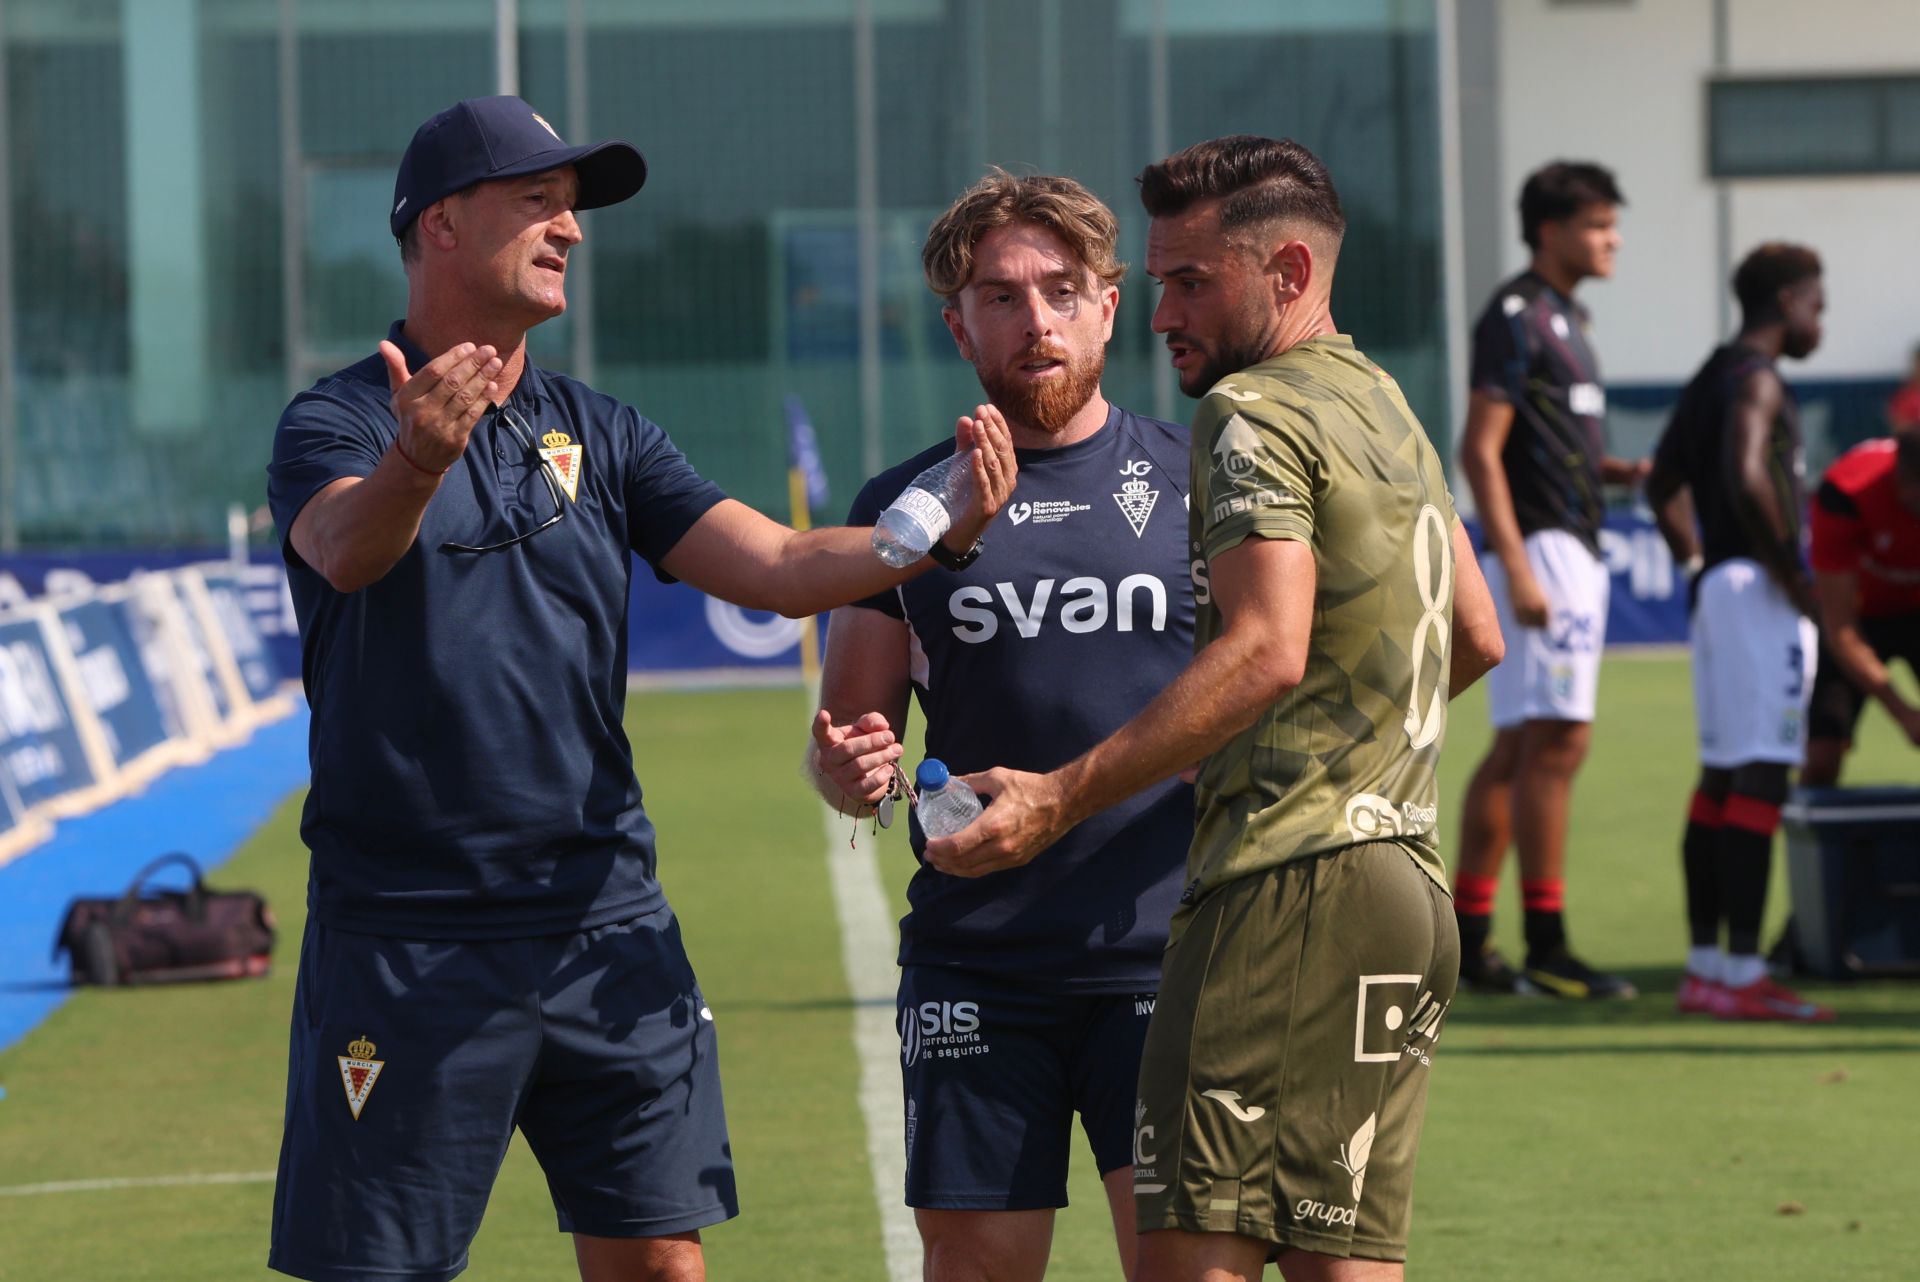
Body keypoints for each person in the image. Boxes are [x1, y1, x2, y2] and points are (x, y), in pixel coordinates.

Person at [262, 96, 1018, 1282]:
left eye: (574, 210)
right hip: (411, 933)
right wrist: (419, 454)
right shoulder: (340, 418)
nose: (570, 230)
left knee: (664, 1261)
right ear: (442, 224)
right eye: (538, 202)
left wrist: (927, 532)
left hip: (605, 923)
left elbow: (772, 567)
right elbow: (348, 550)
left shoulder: (598, 429)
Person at [922, 135, 1504, 1281]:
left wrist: (1057, 799)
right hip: (1406, 891)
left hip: (1284, 886)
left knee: (1195, 1257)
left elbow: (1263, 650)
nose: (1163, 313)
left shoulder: (1251, 407)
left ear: (1286, 272)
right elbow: (1473, 637)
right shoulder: (1384, 399)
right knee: (1343, 1258)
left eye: (1191, 281)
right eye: (1157, 284)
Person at [807, 169, 1195, 1282]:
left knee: (1184, 1267)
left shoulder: (1200, 482)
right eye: (1001, 296)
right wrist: (851, 767)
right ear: (956, 323)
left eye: (1062, 290)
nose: (1037, 319)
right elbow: (851, 752)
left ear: (1110, 304)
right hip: (979, 960)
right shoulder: (904, 508)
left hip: (1169, 953)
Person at [1453, 161, 1645, 1000]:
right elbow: (1479, 451)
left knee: (1527, 746)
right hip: (1542, 553)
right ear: (1552, 230)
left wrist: (1623, 470)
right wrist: (1520, 567)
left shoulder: (1569, 317)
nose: (1614, 239)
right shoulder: (1517, 314)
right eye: (1600, 224)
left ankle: (1471, 939)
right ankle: (1547, 943)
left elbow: (1554, 448)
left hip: (1571, 545)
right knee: (1552, 745)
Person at [1646, 241, 1832, 1023]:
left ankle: (1707, 969)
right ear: (1786, 300)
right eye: (1817, 305)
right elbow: (1750, 471)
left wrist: (1698, 563)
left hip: (1721, 585)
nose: (1821, 321)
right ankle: (1745, 973)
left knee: (1722, 778)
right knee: (1760, 775)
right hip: (1759, 591)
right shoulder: (1757, 378)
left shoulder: (1711, 373)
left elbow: (1662, 484)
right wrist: (1793, 577)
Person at [1799, 423, 1920, 784]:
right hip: (1859, 616)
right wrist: (1905, 715)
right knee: (1821, 759)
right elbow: (1841, 629)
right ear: (1903, 480)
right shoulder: (1844, 493)